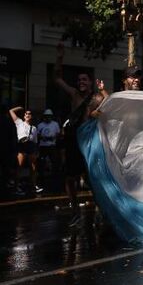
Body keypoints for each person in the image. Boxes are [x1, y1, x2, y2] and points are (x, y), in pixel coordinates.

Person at [55, 43, 107, 225]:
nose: (81, 82)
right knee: (70, 179)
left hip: (88, 143)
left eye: (85, 80)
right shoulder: (74, 94)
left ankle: (101, 208)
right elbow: (58, 79)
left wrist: (102, 92)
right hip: (72, 141)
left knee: (91, 179)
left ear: (90, 82)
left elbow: (108, 105)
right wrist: (60, 57)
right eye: (79, 80)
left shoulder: (95, 98)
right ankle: (75, 210)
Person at [9, 107, 41, 194]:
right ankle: (16, 187)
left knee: (33, 168)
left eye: (29, 114)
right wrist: (20, 108)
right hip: (22, 146)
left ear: (32, 116)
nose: (27, 115)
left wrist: (36, 151)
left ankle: (33, 186)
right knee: (19, 167)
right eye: (26, 114)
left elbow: (35, 142)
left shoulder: (34, 128)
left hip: (30, 146)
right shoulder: (19, 123)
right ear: (24, 116)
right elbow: (11, 111)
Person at [36, 109, 61, 182]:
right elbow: (37, 134)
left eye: (49, 116)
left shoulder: (55, 124)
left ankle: (54, 176)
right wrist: (42, 137)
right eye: (47, 116)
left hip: (52, 145)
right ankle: (41, 176)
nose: (48, 118)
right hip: (43, 146)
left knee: (54, 161)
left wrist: (54, 137)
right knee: (41, 162)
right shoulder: (40, 125)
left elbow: (58, 133)